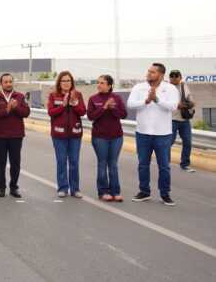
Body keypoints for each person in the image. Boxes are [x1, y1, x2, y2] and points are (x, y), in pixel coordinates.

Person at [127, 63, 179, 205]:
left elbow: (173, 106)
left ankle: (165, 194)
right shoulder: (139, 87)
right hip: (143, 132)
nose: (149, 73)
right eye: (148, 71)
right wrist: (146, 101)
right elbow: (130, 104)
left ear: (161, 75)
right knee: (143, 164)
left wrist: (156, 99)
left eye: (153, 72)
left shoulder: (170, 88)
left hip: (163, 133)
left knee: (164, 166)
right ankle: (144, 191)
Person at [87, 74, 127, 202]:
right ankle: (103, 191)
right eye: (98, 82)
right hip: (100, 137)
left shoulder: (117, 98)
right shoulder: (93, 99)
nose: (98, 85)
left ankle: (115, 191)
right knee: (102, 164)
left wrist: (113, 107)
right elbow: (91, 116)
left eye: (102, 83)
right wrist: (104, 108)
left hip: (116, 137)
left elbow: (123, 114)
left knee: (113, 164)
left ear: (109, 86)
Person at [46, 71, 87, 198]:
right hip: (59, 135)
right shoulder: (53, 96)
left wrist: (74, 103)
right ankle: (63, 188)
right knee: (61, 161)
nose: (66, 83)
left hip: (75, 134)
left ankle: (75, 189)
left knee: (74, 162)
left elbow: (82, 112)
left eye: (68, 80)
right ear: (59, 82)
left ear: (72, 82)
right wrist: (63, 105)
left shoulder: (78, 95)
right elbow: (51, 113)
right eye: (63, 81)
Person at [0, 74, 30, 198]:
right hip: (0, 135)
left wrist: (15, 107)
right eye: (5, 82)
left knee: (15, 163)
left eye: (10, 81)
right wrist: (7, 110)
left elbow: (26, 113)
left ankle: (14, 188)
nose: (8, 84)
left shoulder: (20, 97)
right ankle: (1, 188)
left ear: (13, 83)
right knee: (0, 163)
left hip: (16, 135)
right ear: (1, 84)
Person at [169, 69, 196, 173]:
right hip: (171, 119)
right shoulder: (166, 88)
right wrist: (177, 105)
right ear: (169, 77)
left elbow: (190, 99)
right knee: (168, 142)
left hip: (184, 119)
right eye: (172, 76)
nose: (174, 77)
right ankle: (165, 164)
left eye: (176, 76)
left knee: (187, 142)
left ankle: (185, 164)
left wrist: (192, 103)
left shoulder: (184, 86)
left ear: (181, 77)